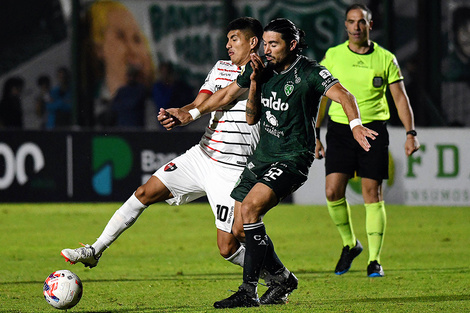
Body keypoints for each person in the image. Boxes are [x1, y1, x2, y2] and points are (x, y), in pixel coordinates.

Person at [161, 18, 377, 308]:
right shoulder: (260, 67)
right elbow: (227, 97)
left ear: (292, 45)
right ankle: (283, 278)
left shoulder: (310, 72)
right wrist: (193, 112)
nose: (267, 49)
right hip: (263, 155)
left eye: (274, 44)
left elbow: (345, 95)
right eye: (265, 43)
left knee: (250, 210)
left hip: (293, 157)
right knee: (238, 230)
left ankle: (248, 291)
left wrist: (355, 125)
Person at [61, 17, 268, 282]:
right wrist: (178, 112)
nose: (227, 44)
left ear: (253, 42)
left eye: (234, 39)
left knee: (227, 247)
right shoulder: (220, 67)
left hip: (233, 168)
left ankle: (275, 275)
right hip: (203, 155)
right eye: (227, 39)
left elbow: (226, 96)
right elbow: (200, 101)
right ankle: (95, 249)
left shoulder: (265, 75)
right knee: (144, 192)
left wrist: (190, 114)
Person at [315, 4, 420, 278]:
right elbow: (323, 97)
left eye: (361, 22)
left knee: (372, 194)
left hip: (373, 130)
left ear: (370, 25)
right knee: (331, 191)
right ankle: (350, 244)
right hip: (340, 130)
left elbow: (400, 98)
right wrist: (314, 132)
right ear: (346, 25)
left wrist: (411, 133)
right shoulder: (333, 56)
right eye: (351, 22)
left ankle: (374, 260)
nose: (356, 27)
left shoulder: (385, 58)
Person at [86, 0, 155, 125]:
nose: (133, 50)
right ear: (99, 48)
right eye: (121, 36)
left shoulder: (142, 90)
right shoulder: (94, 94)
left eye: (137, 39)